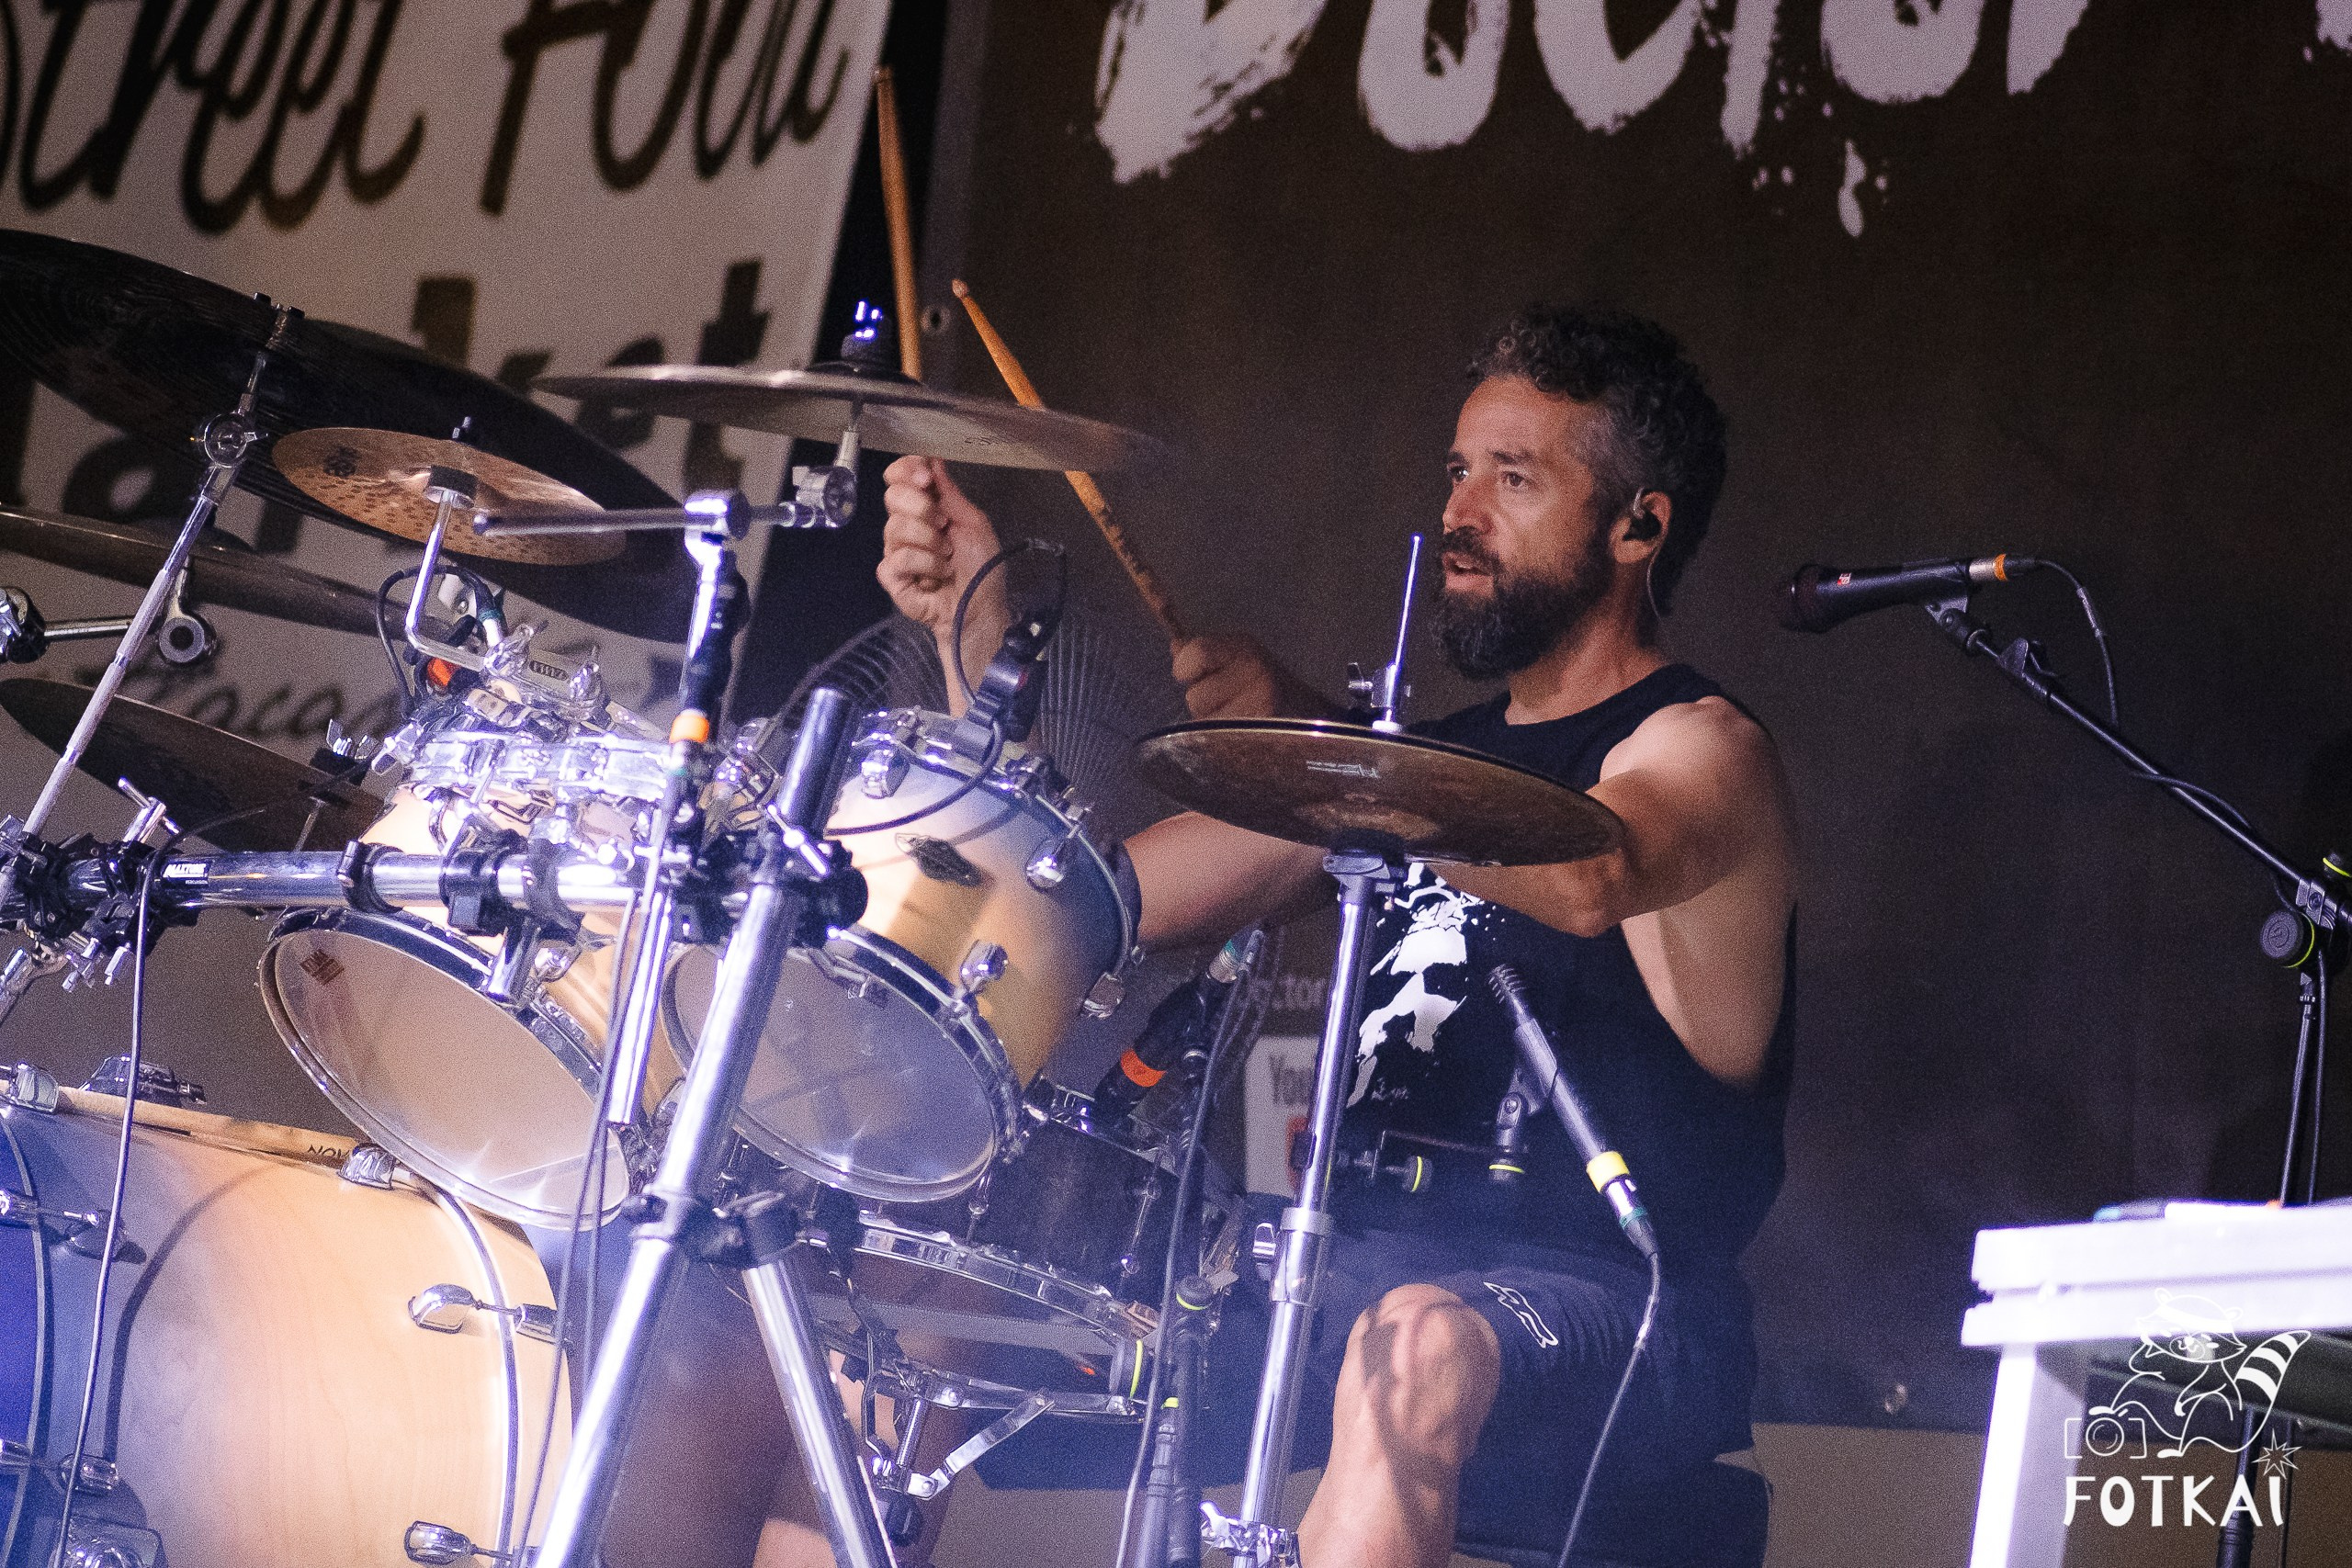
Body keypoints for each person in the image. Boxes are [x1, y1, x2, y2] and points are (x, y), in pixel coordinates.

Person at [876, 305, 1796, 1568]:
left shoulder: (1701, 747)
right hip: (1329, 1270)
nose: (1462, 512)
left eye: (1514, 478)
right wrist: (967, 631)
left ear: (1639, 526)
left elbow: (1595, 872)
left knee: (1412, 1346)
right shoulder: (1427, 773)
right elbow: (1081, 901)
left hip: (1610, 1299)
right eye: (1457, 471)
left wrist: (1325, 753)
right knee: (907, 1332)